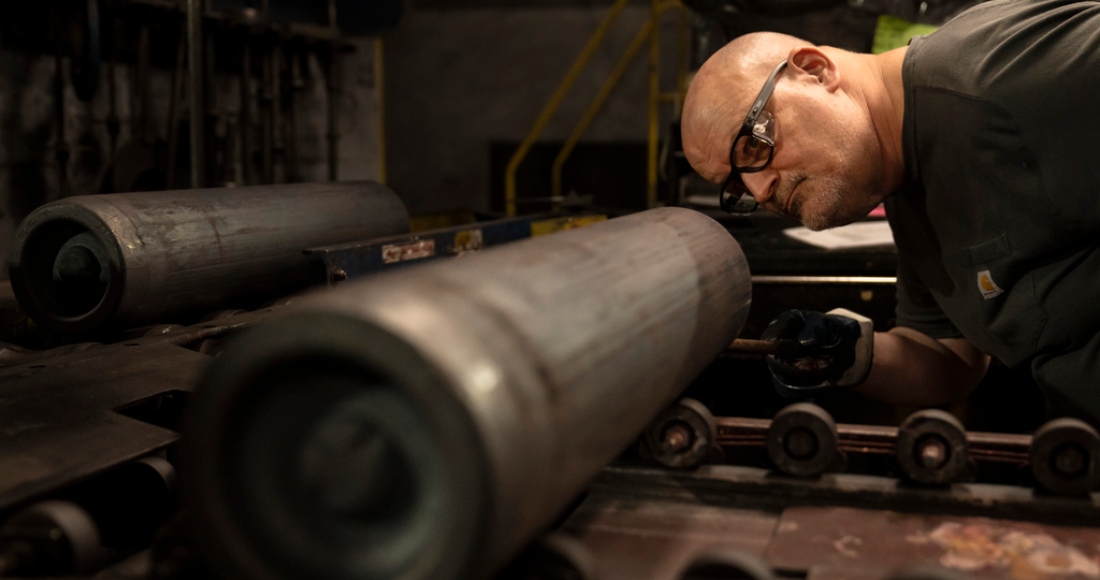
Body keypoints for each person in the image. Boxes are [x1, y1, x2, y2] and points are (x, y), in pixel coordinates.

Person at [680, 0, 1100, 422]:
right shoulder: (906, 180)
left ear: (815, 70)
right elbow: (949, 357)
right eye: (736, 185)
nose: (760, 187)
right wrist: (851, 351)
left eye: (753, 144)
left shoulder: (999, 72)